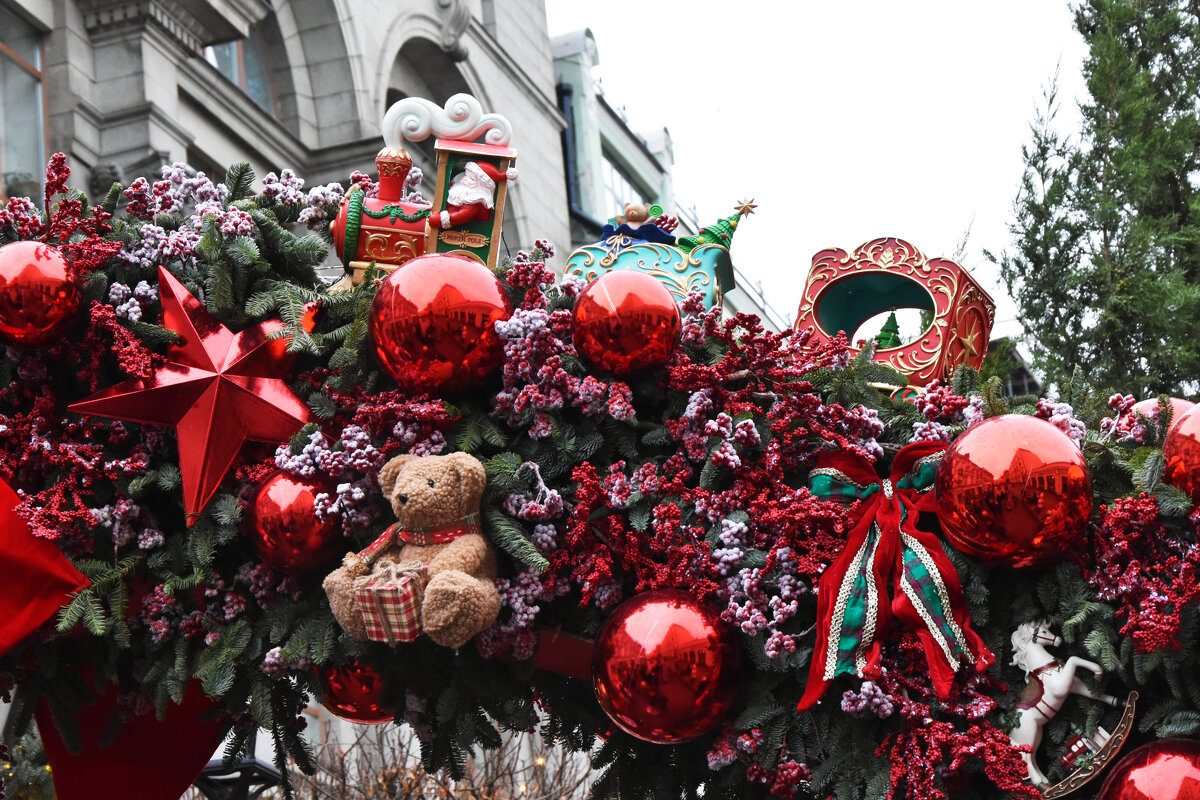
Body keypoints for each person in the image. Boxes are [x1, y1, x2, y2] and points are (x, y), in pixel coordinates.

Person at [428, 161, 517, 229]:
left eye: (471, 178)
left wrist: (440, 219)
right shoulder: (461, 192)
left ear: (480, 187)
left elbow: (461, 216)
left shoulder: (474, 203)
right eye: (466, 175)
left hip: (459, 232)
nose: (465, 179)